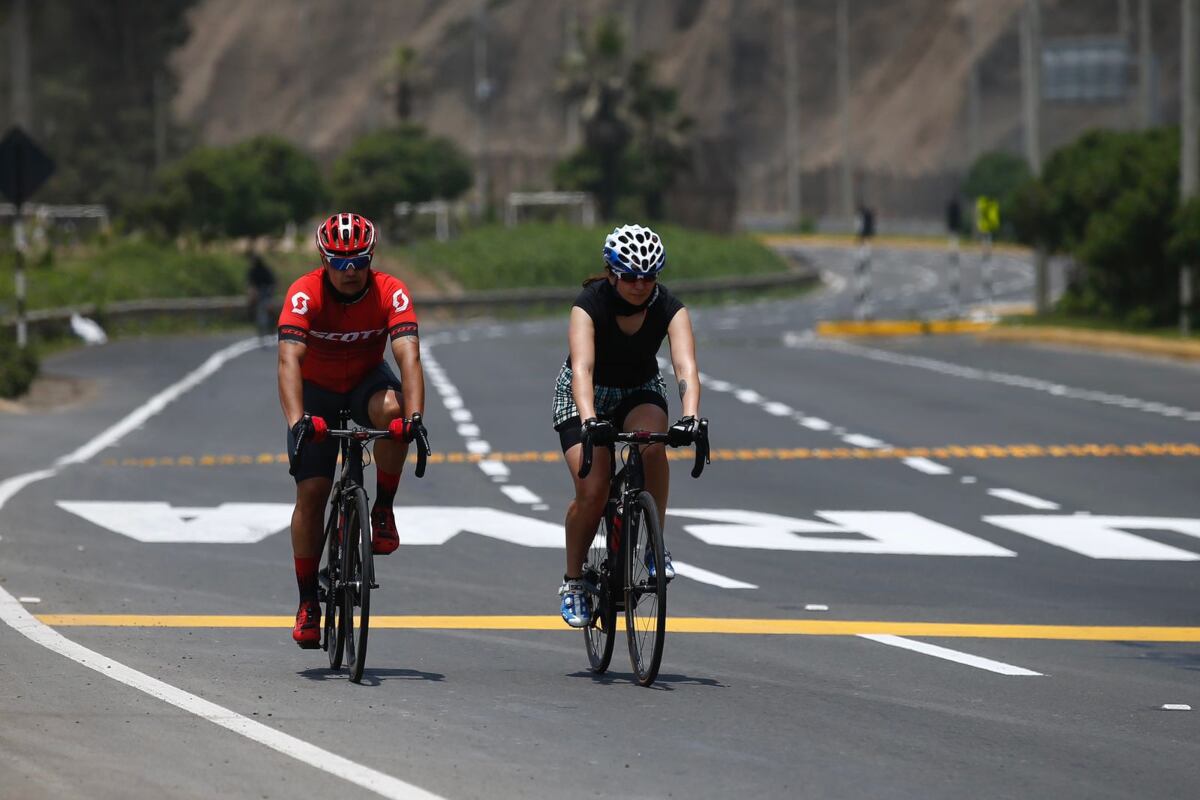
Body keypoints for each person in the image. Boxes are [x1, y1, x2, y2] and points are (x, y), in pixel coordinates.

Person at [277, 212, 427, 648]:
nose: (350, 271)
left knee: (395, 416)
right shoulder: (304, 294)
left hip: (366, 382)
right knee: (312, 494)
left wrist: (414, 418)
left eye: (359, 261)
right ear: (323, 260)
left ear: (371, 257)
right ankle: (308, 602)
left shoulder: (390, 292)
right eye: (339, 262)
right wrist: (297, 421)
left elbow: (409, 357)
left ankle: (382, 509)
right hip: (316, 392)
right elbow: (289, 362)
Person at [552, 223, 703, 627]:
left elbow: (686, 366)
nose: (640, 285)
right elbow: (582, 368)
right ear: (612, 273)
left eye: (649, 277)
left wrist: (690, 416)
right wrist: (589, 421)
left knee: (654, 444)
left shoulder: (669, 306)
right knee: (594, 489)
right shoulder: (589, 304)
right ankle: (574, 579)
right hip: (585, 393)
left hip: (638, 389)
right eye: (631, 277)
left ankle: (654, 547)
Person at [246, 246, 277, 338]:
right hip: (259, 292)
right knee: (254, 306)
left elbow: (272, 282)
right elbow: (251, 284)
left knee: (269, 308)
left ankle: (273, 324)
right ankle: (254, 321)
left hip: (266, 292)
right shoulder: (254, 271)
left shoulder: (264, 270)